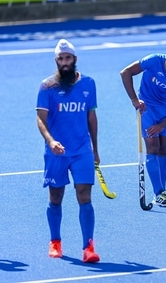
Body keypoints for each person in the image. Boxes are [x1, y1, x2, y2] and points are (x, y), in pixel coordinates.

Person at [36, 39, 100, 263]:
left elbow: (91, 117)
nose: (64, 62)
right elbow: (40, 119)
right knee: (56, 198)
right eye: (61, 59)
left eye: (68, 58)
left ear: (75, 59)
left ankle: (88, 247)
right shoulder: (47, 87)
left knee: (85, 196)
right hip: (56, 153)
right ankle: (55, 242)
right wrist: (51, 141)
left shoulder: (89, 84)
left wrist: (95, 149)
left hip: (82, 151)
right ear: (56, 61)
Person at [120, 53, 166, 207]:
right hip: (147, 108)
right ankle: (159, 193)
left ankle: (161, 193)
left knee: (163, 149)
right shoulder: (153, 61)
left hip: (165, 109)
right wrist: (134, 99)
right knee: (153, 147)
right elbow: (125, 72)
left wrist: (163, 124)